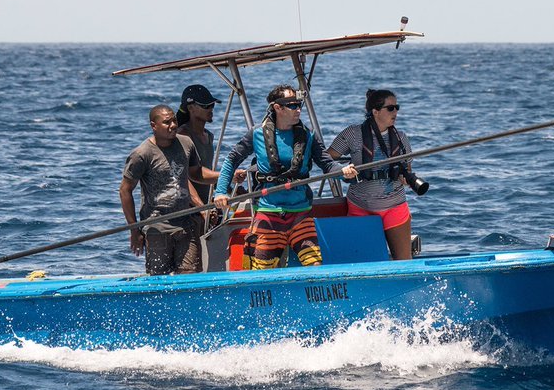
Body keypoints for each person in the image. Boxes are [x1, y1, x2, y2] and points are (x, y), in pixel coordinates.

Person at [213, 85, 357, 269]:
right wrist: (220, 192)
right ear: (277, 108)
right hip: (268, 213)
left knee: (315, 265)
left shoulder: (308, 136)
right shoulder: (257, 134)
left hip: (300, 213)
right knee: (262, 271)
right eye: (292, 105)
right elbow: (231, 159)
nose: (298, 109)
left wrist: (344, 173)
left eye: (299, 104)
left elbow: (328, 164)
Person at [119, 104, 210, 275]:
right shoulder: (142, 154)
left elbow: (195, 174)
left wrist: (227, 176)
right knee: (159, 281)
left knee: (190, 277)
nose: (173, 125)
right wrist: (134, 230)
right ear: (154, 126)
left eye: (174, 120)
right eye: (167, 122)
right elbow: (125, 191)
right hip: (156, 229)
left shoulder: (186, 143)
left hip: (186, 224)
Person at [327, 89, 416, 260]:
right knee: (363, 262)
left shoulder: (402, 137)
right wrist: (340, 170)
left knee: (404, 260)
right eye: (391, 108)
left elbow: (407, 170)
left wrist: (406, 179)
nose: (396, 112)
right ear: (375, 112)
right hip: (361, 206)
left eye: (397, 107)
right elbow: (326, 157)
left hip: (395, 205)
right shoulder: (352, 133)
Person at [175, 83, 223, 204]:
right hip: (189, 206)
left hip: (206, 203)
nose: (211, 108)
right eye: (206, 105)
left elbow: (208, 172)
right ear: (191, 108)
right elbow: (185, 178)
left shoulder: (209, 136)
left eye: (212, 104)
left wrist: (228, 187)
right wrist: (201, 209)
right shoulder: (183, 136)